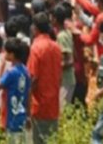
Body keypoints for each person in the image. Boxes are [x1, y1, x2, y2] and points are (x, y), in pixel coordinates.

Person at [27, 12, 62, 144]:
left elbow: (33, 79)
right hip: (53, 104)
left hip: (39, 106)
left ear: (35, 28)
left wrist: (26, 106)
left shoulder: (36, 48)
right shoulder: (56, 47)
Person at [0, 37, 31, 144]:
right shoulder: (25, 70)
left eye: (6, 52)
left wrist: (1, 67)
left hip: (11, 115)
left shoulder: (10, 72)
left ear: (12, 55)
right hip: (22, 113)